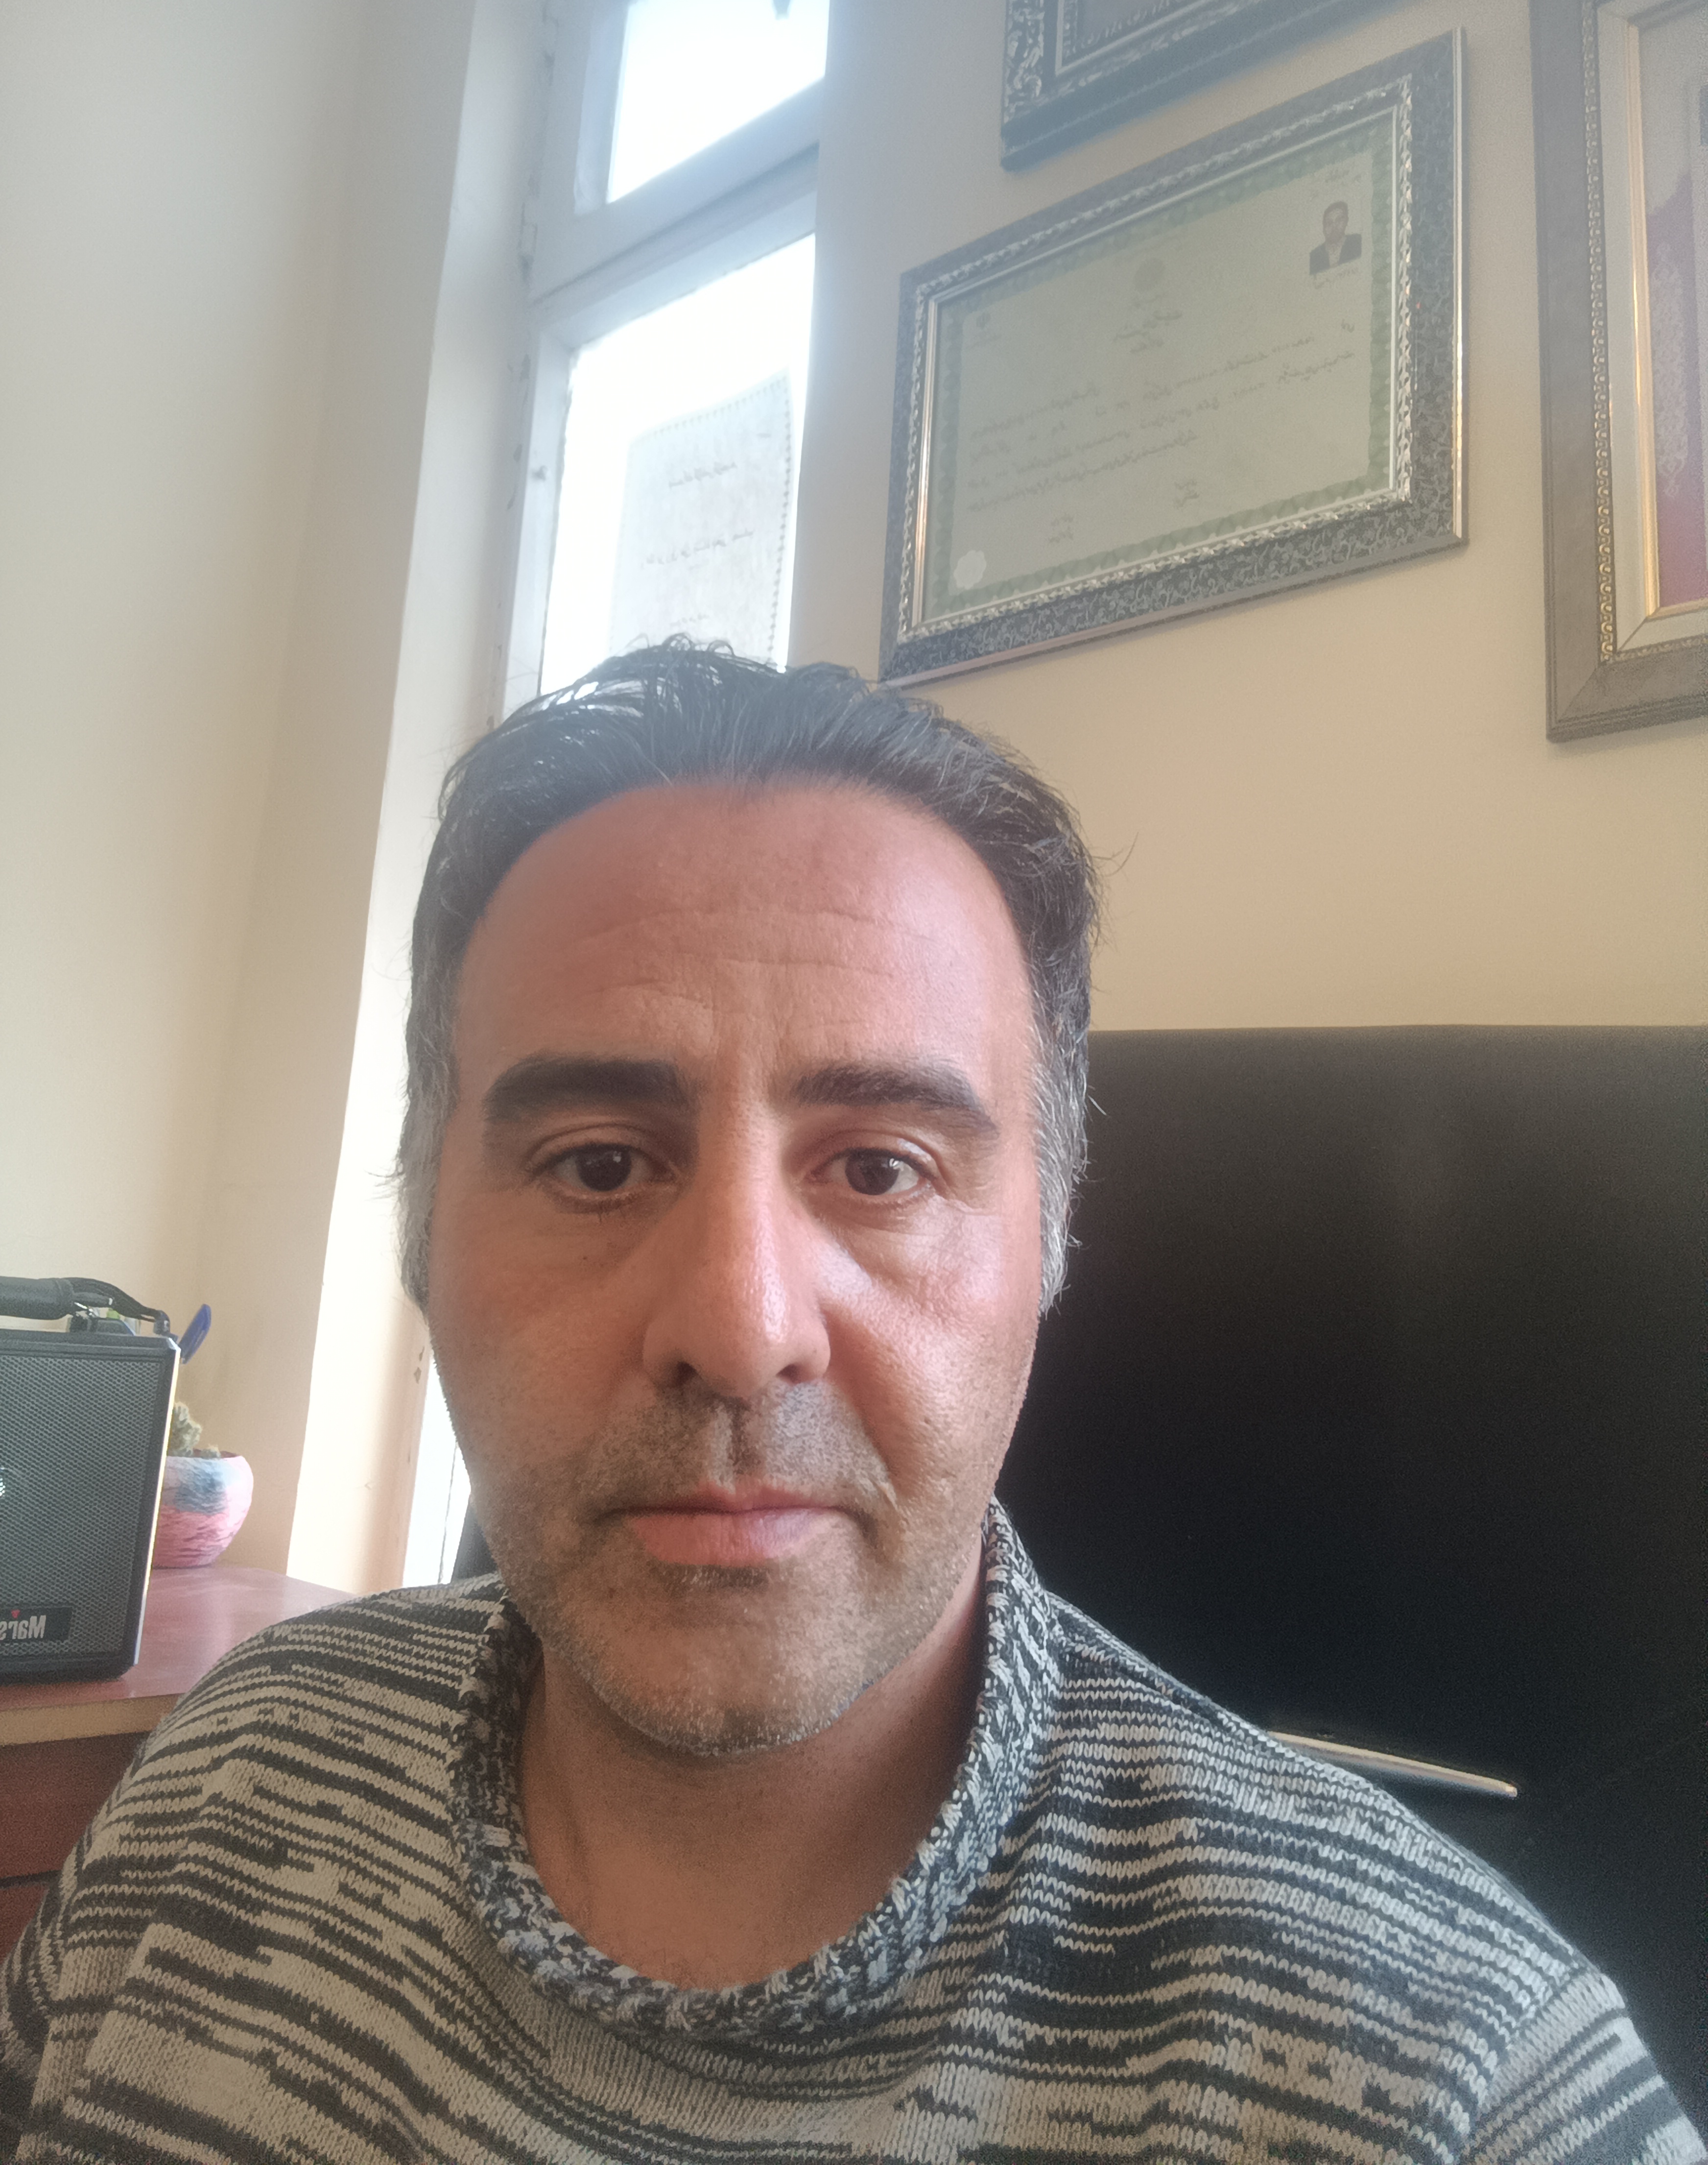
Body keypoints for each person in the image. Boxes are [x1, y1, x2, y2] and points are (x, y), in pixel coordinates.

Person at [1, 646, 1699, 2164]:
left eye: (880, 1168)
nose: (740, 1331)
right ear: (419, 1241)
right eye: (595, 1165)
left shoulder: (1455, 2085)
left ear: (1049, 1247)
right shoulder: (224, 1773)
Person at [1310, 198, 1362, 273]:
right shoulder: (1314, 256)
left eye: (1339, 220)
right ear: (1324, 227)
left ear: (1346, 222)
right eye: (1329, 223)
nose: (1334, 227)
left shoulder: (1358, 242)